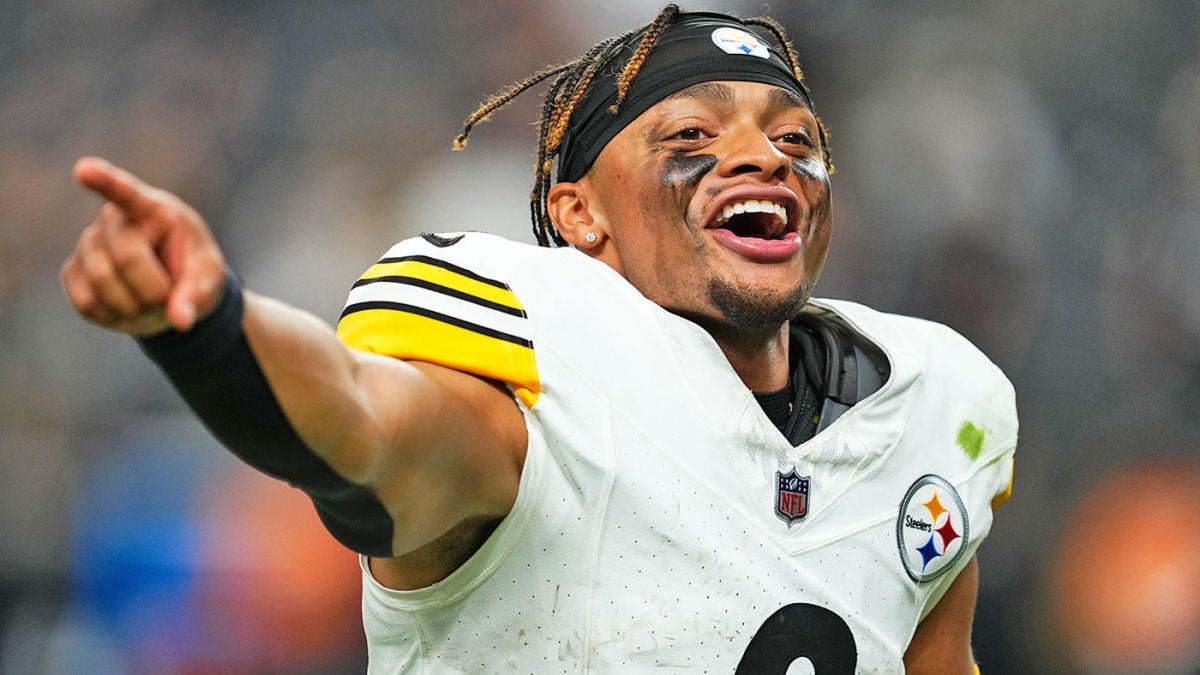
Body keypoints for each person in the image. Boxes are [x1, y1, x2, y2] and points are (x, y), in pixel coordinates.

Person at [61, 5, 1017, 673]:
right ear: (579, 214)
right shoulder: (541, 379)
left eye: (796, 139)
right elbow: (363, 424)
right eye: (691, 135)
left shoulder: (926, 406)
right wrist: (213, 327)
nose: (763, 156)